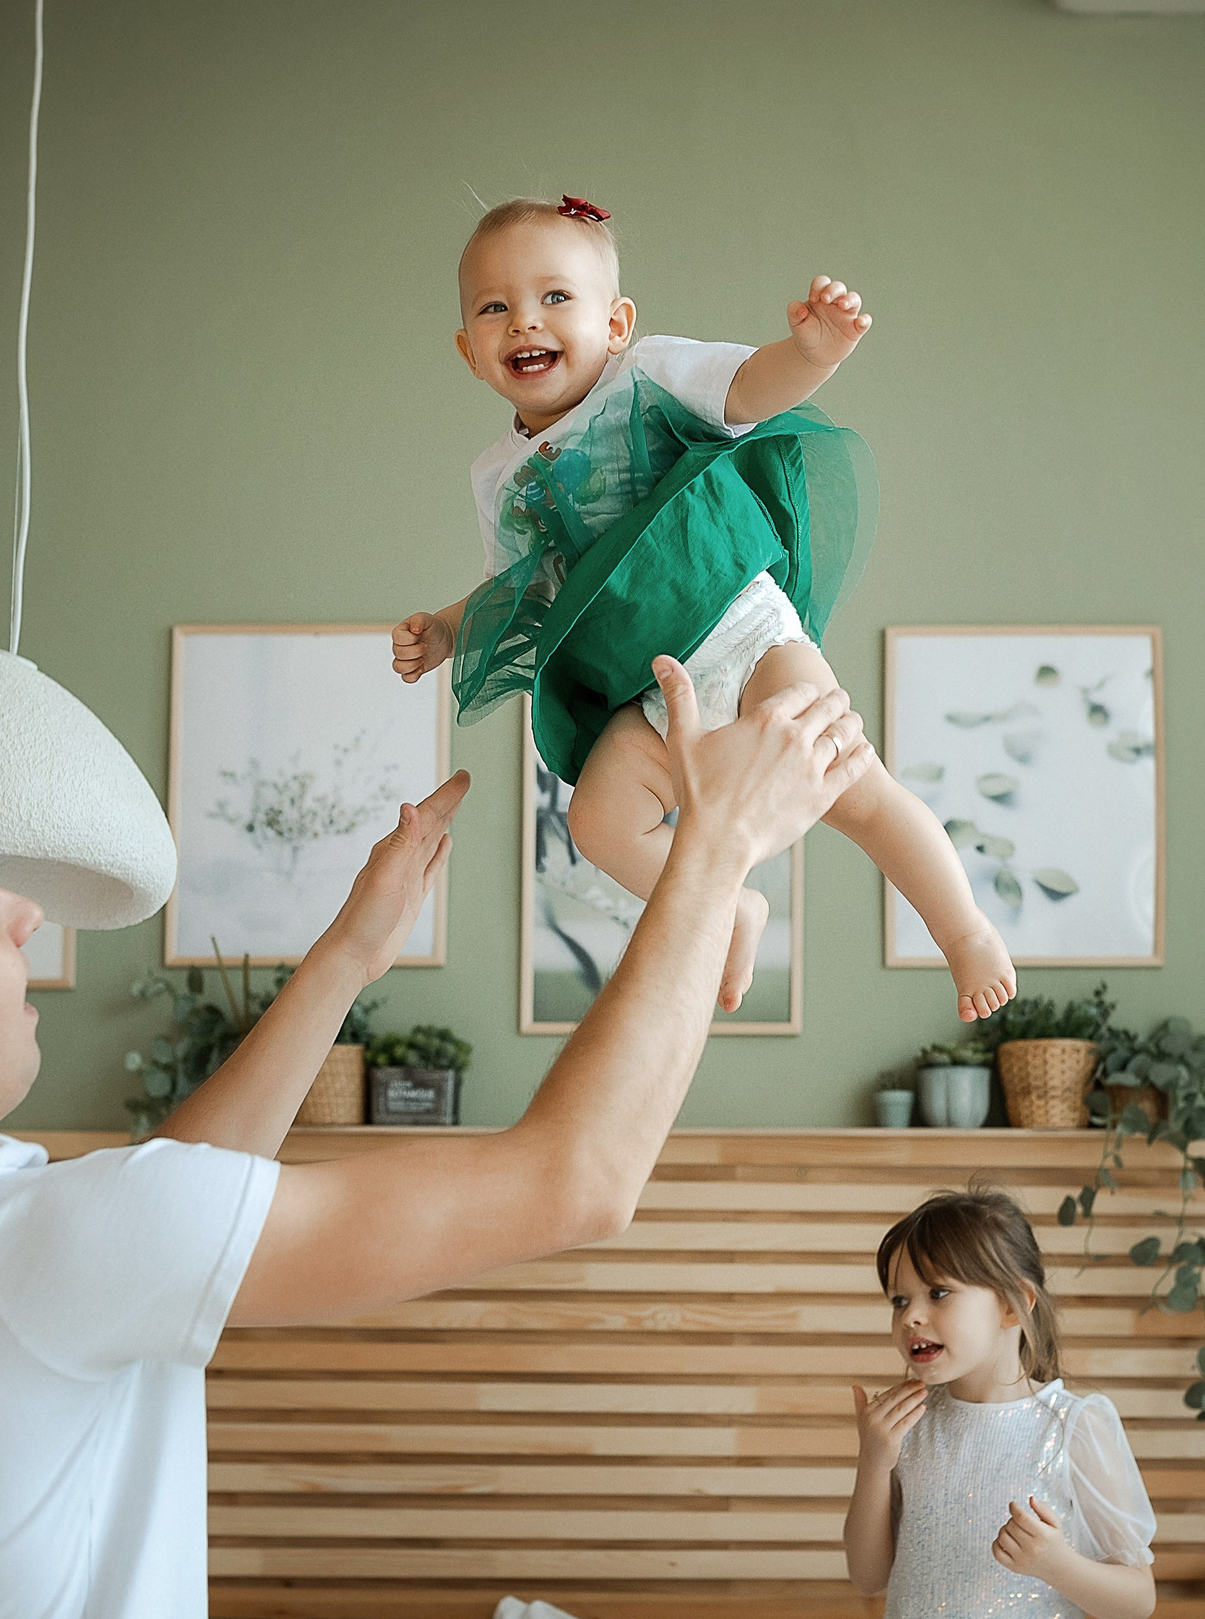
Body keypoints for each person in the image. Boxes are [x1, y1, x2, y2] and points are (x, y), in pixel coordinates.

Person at [0, 658, 869, 1619]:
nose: (14, 909)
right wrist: (715, 847)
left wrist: (347, 955)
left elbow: (152, 1204)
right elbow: (575, 1180)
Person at [391, 194, 1014, 1022]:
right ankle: (733, 907)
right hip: (644, 682)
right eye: (495, 308)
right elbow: (520, 587)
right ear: (470, 350)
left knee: (854, 785)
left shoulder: (649, 374)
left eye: (554, 298)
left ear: (615, 323)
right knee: (599, 821)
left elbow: (752, 389)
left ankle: (963, 928)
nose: (523, 323)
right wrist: (444, 627)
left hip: (743, 630)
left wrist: (811, 353)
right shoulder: (497, 477)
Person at [843, 1188, 1158, 1619]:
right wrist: (874, 1462)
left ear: (1013, 1305)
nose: (910, 1317)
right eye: (900, 1300)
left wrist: (1058, 1564)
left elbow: (1139, 1599)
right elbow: (867, 1576)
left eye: (937, 1293)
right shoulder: (909, 1425)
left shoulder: (1073, 1427)